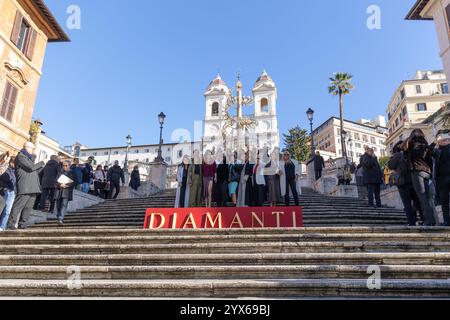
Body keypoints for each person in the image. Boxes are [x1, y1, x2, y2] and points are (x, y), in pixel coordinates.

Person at [7, 142, 45, 230]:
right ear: (27, 147)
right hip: (25, 186)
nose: (33, 150)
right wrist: (42, 162)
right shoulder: (20, 157)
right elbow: (30, 168)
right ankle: (11, 224)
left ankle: (22, 224)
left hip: (33, 187)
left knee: (28, 207)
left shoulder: (29, 158)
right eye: (33, 148)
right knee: (18, 206)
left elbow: (33, 171)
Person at [404, 129, 437, 226]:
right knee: (427, 197)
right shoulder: (425, 143)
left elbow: (407, 155)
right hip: (427, 172)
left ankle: (428, 220)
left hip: (417, 171)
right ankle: (432, 220)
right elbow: (429, 159)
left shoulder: (411, 143)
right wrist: (430, 172)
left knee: (422, 197)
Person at [388, 141, 424, 226]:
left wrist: (392, 158)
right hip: (413, 180)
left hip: (403, 182)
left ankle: (412, 222)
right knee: (418, 202)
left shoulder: (397, 155)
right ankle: (424, 219)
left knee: (407, 203)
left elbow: (390, 166)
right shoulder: (411, 153)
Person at [431, 130, 450, 226]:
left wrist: (434, 143)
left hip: (442, 179)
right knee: (444, 201)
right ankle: (447, 221)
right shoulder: (438, 151)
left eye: (444, 140)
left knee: (444, 201)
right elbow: (429, 151)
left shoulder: (439, 151)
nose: (441, 142)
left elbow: (429, 150)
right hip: (441, 179)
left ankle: (447, 221)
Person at [54, 161, 76, 225]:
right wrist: (60, 185)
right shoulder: (59, 173)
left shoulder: (72, 173)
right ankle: (58, 217)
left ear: (69, 166)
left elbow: (75, 182)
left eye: (66, 165)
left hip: (66, 191)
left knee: (64, 205)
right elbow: (55, 182)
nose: (64, 167)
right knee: (58, 205)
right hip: (59, 191)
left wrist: (68, 185)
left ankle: (60, 218)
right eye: (63, 165)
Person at [0, 157, 16, 231]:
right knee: (4, 210)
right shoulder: (7, 171)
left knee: (7, 211)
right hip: (7, 191)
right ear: (11, 163)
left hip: (12, 192)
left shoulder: (16, 171)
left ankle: (2, 227)